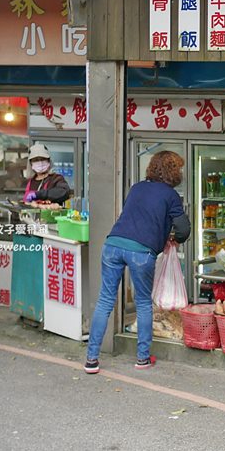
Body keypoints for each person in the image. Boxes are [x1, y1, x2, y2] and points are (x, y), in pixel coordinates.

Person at [84, 150, 190, 373]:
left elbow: (136, 216)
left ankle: (91, 358)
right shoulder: (170, 195)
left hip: (113, 244)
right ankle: (142, 358)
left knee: (105, 300)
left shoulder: (137, 188)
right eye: (178, 168)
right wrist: (174, 239)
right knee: (143, 303)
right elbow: (183, 229)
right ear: (172, 171)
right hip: (141, 252)